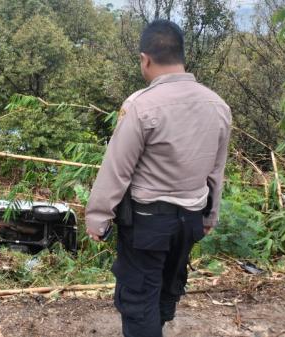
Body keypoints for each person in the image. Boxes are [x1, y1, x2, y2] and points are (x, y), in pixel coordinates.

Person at [85, 20, 231, 337]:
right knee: (168, 286)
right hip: (190, 220)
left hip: (148, 224)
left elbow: (117, 168)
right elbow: (216, 171)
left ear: (145, 59)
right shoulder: (217, 106)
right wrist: (210, 216)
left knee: (138, 300)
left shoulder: (141, 105)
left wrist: (98, 217)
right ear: (181, 56)